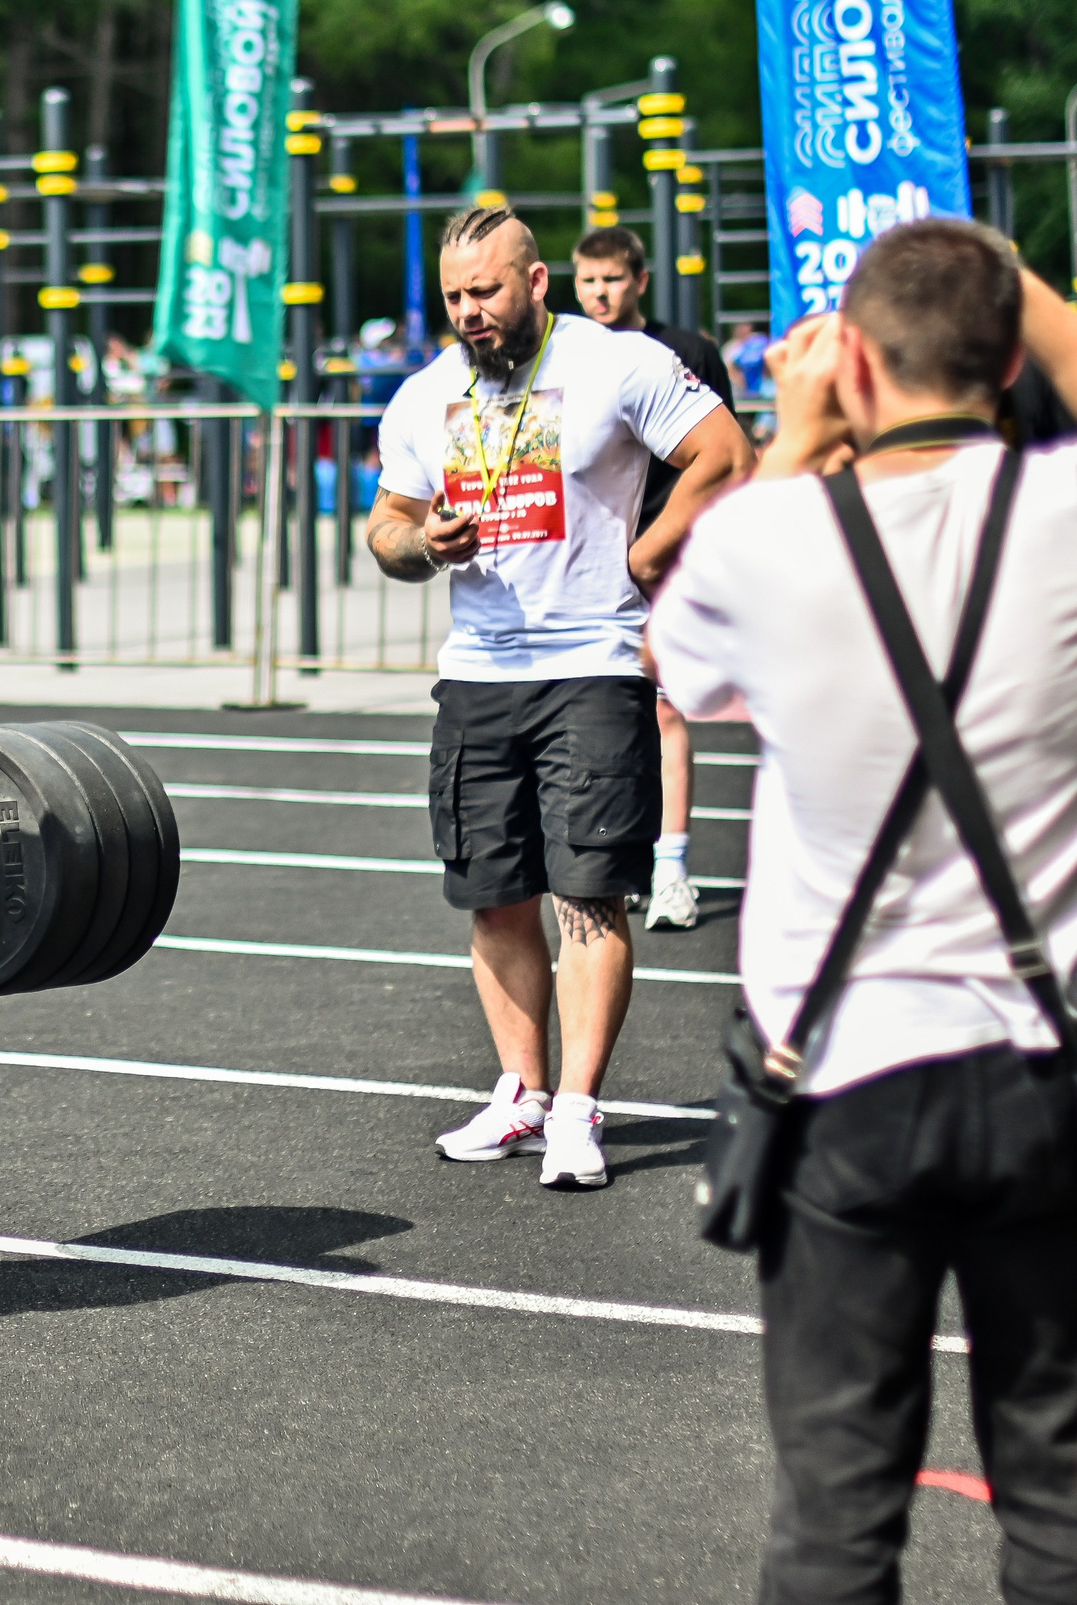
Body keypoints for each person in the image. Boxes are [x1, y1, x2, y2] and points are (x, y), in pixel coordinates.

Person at [650, 220, 1077, 1602]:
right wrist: (1015, 281)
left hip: (844, 1072)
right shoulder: (1066, 516)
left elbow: (682, 672)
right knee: (1064, 1490)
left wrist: (788, 430)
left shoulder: (770, 540)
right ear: (1009, 362)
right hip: (1049, 1055)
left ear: (858, 368)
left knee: (836, 1505)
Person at [365, 204, 753, 1188]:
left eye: (485, 291)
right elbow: (387, 528)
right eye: (453, 296)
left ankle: (578, 1108)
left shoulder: (615, 363)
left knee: (587, 895)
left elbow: (724, 454)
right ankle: (520, 1095)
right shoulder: (423, 395)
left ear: (536, 282)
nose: (468, 313)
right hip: (479, 673)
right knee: (493, 899)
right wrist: (423, 546)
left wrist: (649, 551)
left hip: (594, 665)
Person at [572, 224, 738, 932]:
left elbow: (726, 453)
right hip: (592, 557)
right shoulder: (570, 358)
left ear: (639, 280)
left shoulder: (688, 352)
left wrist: (677, 545)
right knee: (606, 707)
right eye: (588, 281)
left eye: (611, 279)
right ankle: (630, 858)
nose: (600, 293)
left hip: (667, 553)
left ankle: (672, 868)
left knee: (666, 707)